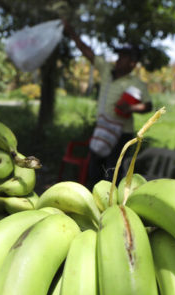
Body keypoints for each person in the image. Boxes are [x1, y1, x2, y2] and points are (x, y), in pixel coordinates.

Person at [63, 22, 152, 186]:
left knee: (113, 172)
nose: (118, 60)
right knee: (94, 168)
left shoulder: (137, 84)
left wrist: (132, 108)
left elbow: (148, 106)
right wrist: (71, 33)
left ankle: (112, 207)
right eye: (119, 56)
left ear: (132, 63)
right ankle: (93, 201)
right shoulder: (106, 71)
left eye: (123, 57)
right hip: (102, 128)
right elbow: (88, 53)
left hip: (121, 134)